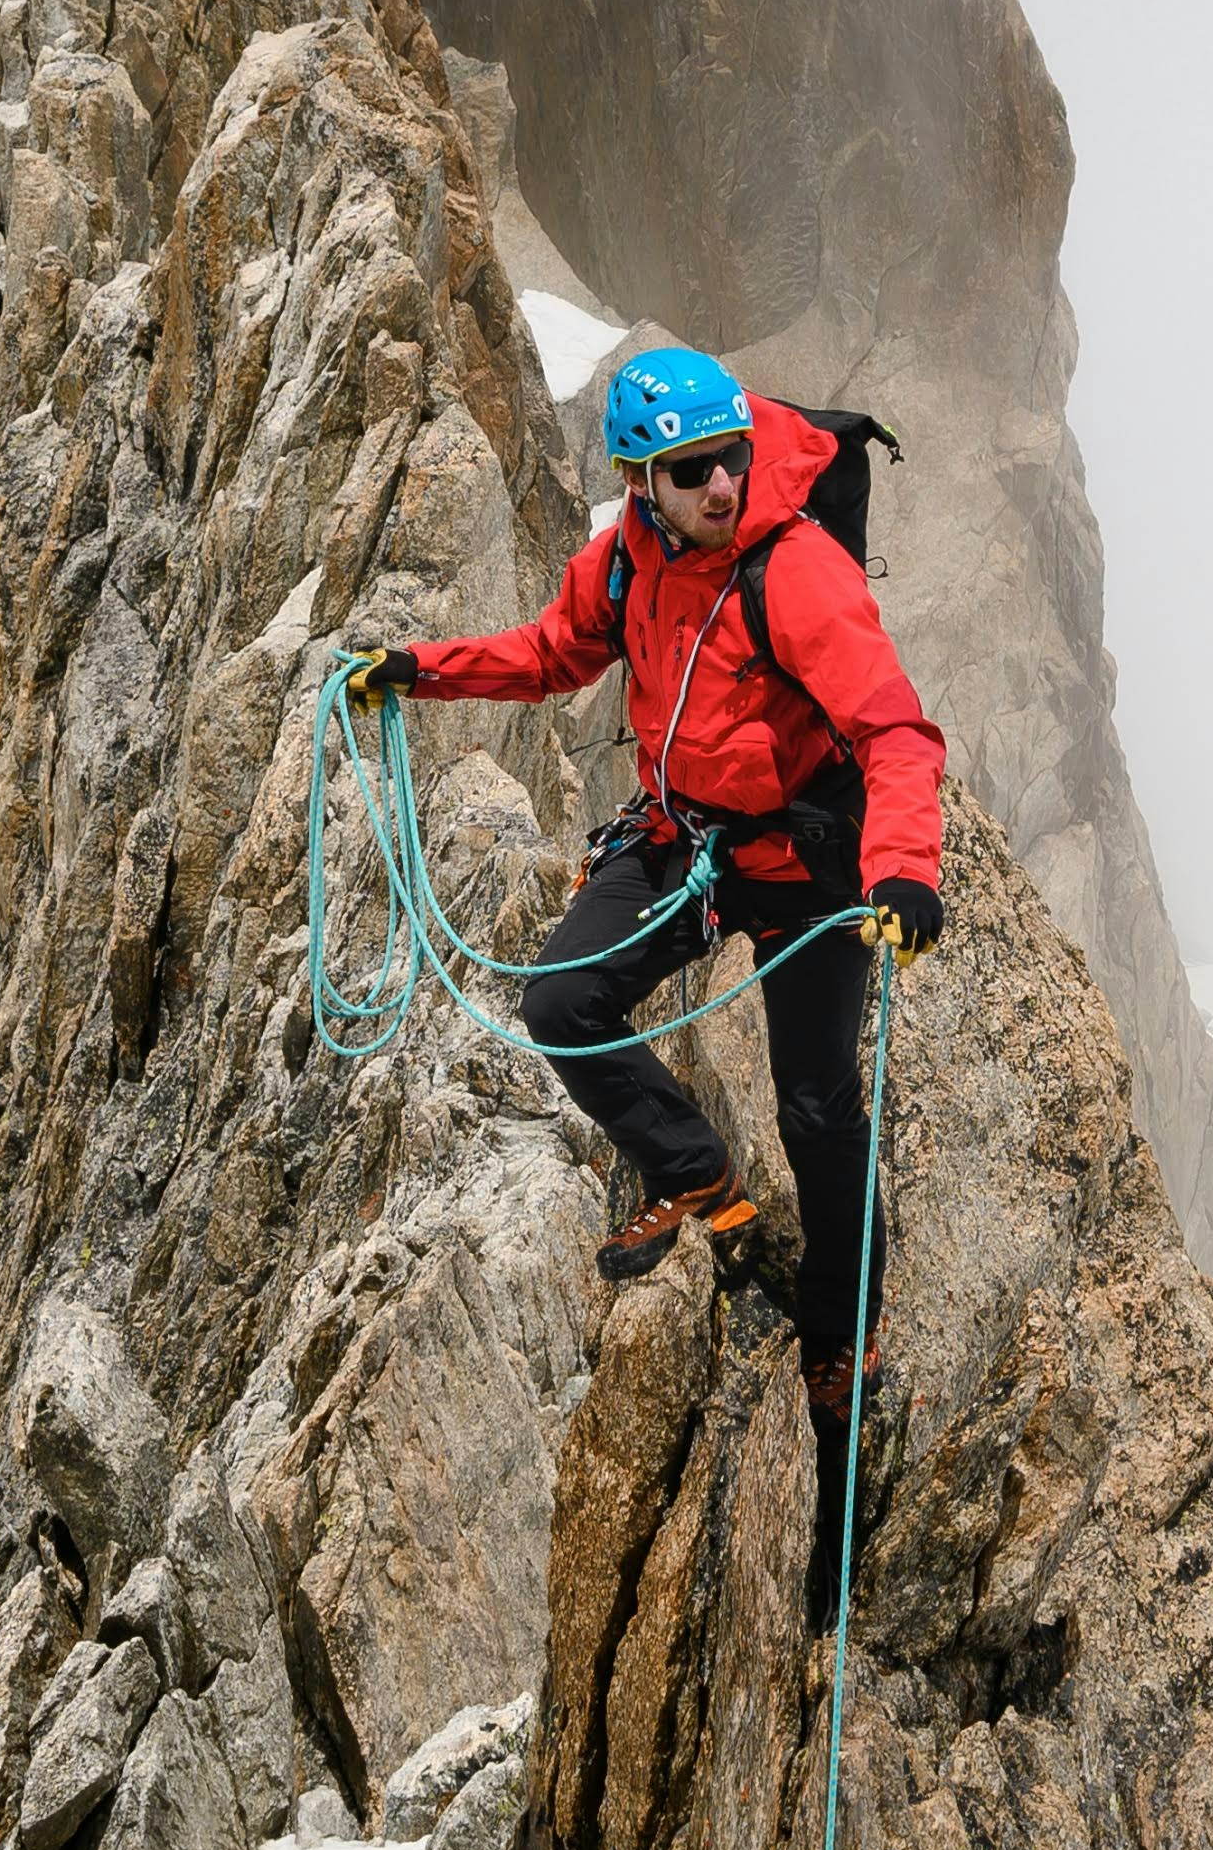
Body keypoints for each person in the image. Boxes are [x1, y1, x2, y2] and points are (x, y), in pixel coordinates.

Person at [346, 347, 944, 1418]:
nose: (722, 483)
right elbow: (552, 653)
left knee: (817, 1110)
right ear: (639, 482)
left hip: (803, 862)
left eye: (732, 458)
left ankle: (842, 1332)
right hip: (686, 839)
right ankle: (695, 1174)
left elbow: (893, 729)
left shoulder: (796, 569)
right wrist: (420, 669)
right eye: (692, 469)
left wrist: (902, 873)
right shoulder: (624, 558)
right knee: (561, 999)